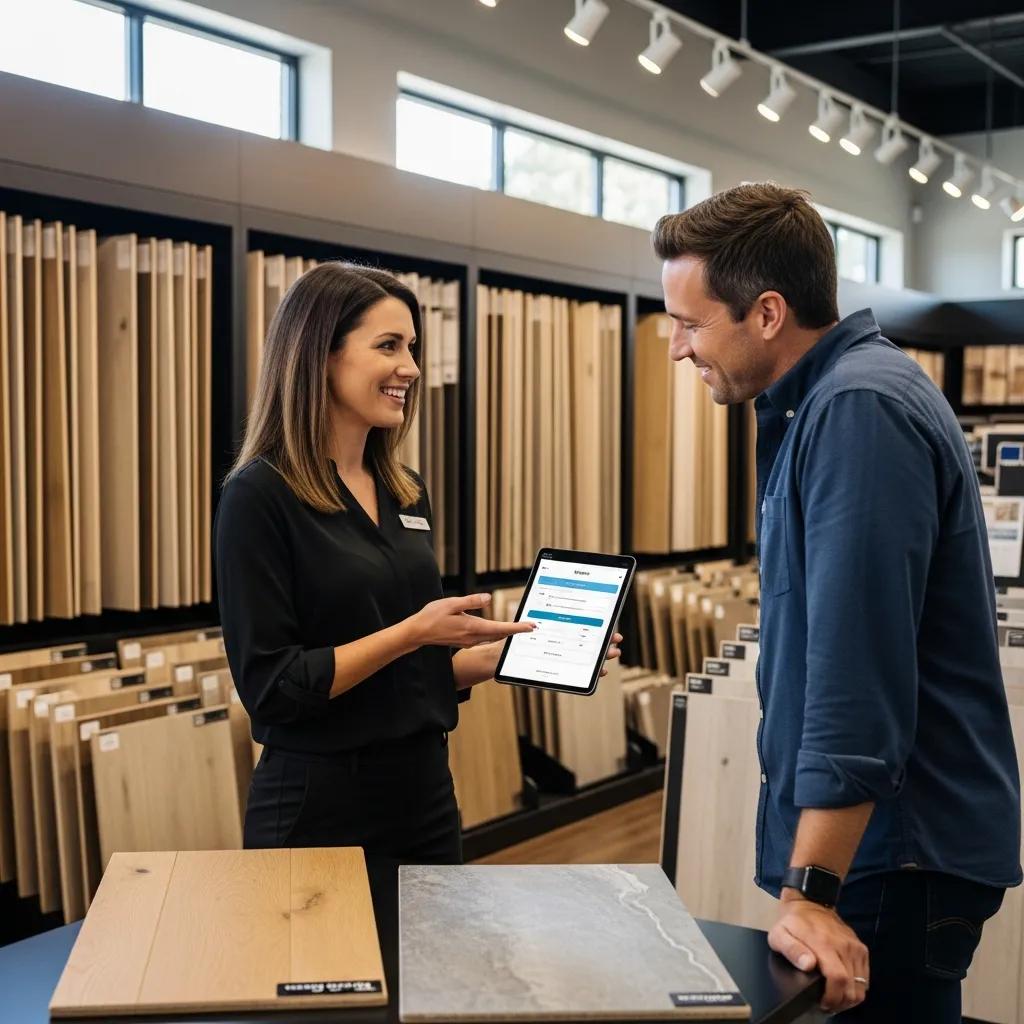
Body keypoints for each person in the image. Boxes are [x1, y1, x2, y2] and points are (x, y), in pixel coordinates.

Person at [653, 183, 1021, 1022]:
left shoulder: (858, 410)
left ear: (769, 313)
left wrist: (813, 887)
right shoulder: (828, 403)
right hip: (878, 847)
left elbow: (857, 671)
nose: (678, 348)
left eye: (690, 321)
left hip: (887, 855)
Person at [215, 261, 624, 880]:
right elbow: (272, 687)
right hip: (319, 806)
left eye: (412, 347)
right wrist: (414, 632)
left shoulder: (406, 491)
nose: (410, 366)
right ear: (320, 356)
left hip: (425, 794)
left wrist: (501, 655)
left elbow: (407, 677)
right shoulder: (259, 495)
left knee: (428, 978)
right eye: (388, 346)